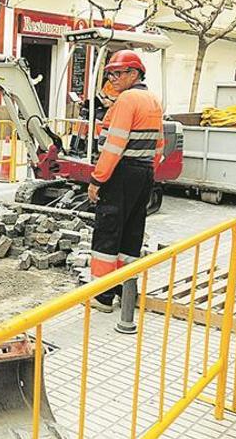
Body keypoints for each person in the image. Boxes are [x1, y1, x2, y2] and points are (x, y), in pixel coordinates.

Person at [87, 50, 164, 312]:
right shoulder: (152, 100)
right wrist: (146, 175)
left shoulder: (127, 100)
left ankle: (101, 296)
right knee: (131, 234)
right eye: (110, 73)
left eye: (118, 73)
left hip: (121, 173)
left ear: (134, 74)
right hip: (144, 174)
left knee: (108, 231)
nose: (112, 78)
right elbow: (159, 146)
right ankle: (125, 291)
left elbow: (113, 146)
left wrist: (98, 179)